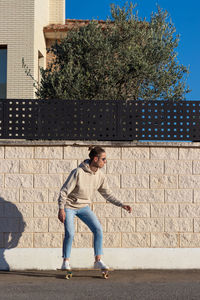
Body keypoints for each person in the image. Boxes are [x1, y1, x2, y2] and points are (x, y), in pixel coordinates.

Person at [58, 146, 132, 270]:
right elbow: (64, 192)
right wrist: (61, 209)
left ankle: (98, 261)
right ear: (95, 159)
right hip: (69, 207)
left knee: (98, 229)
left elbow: (107, 193)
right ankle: (65, 261)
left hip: (84, 207)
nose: (105, 161)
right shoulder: (78, 172)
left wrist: (121, 204)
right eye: (103, 159)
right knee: (70, 233)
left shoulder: (100, 176)